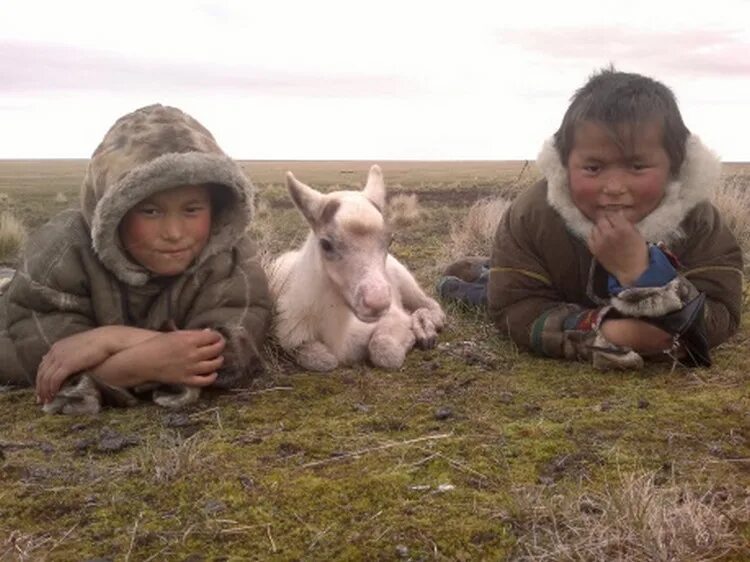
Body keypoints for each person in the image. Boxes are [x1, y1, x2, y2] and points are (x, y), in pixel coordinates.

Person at [438, 68, 743, 369]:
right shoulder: (533, 214)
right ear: (565, 163)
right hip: (555, 292)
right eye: (593, 168)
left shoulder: (698, 221)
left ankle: (482, 274)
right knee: (490, 294)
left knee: (496, 285)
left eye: (637, 167)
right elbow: (515, 307)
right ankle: (468, 283)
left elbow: (722, 311)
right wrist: (601, 331)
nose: (613, 188)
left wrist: (646, 275)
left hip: (577, 296)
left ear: (674, 166)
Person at [0, 104, 272, 413]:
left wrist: (112, 343)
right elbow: (49, 365)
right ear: (115, 211)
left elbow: (233, 349)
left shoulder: (230, 254)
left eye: (192, 209)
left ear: (216, 206)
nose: (173, 232)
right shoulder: (60, 250)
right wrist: (157, 358)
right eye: (151, 211)